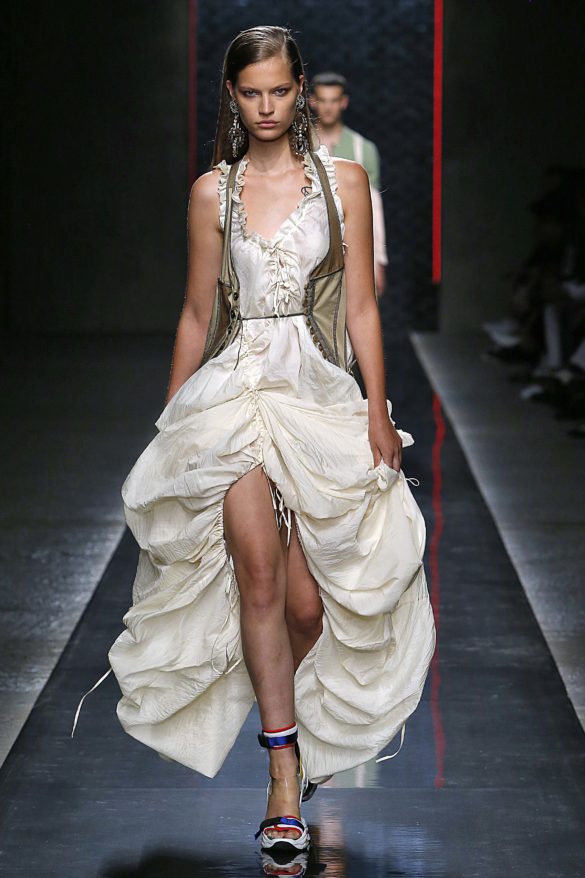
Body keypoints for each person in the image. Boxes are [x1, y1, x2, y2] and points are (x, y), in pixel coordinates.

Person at [71, 25, 435, 855]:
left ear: (299, 90)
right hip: (233, 394)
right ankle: (279, 776)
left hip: (317, 391)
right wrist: (173, 430)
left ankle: (299, 737)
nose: (265, 106)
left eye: (278, 90)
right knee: (259, 578)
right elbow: (197, 313)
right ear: (231, 97)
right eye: (250, 93)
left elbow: (360, 307)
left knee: (308, 604)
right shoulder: (214, 192)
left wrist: (378, 412)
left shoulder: (344, 182)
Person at [308, 71, 388, 297]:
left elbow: (373, 209)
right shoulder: (298, 146)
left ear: (343, 102)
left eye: (334, 101)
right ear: (312, 101)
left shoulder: (363, 149)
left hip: (352, 250)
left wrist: (378, 261)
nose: (328, 108)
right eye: (323, 100)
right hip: (307, 248)